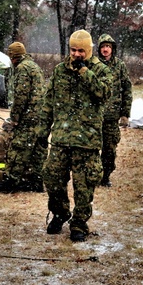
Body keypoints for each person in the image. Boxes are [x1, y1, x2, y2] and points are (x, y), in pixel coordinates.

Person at [36, 30, 109, 242]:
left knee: (84, 184)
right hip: (61, 138)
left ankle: (79, 223)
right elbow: (48, 102)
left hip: (86, 140)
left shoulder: (101, 71)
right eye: (73, 50)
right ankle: (60, 213)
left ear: (88, 50)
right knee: (52, 177)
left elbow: (104, 93)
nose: (76, 55)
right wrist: (42, 131)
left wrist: (85, 72)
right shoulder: (60, 71)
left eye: (81, 51)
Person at [0, 42, 46, 193]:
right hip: (40, 116)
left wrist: (14, 118)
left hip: (28, 117)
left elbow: (20, 97)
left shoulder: (22, 69)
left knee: (18, 148)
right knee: (37, 150)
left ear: (13, 57)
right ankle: (37, 182)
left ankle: (11, 181)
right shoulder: (34, 67)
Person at [95, 34, 132, 187]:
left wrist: (125, 113)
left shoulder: (119, 66)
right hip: (95, 116)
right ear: (99, 49)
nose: (105, 49)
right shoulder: (94, 65)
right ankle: (93, 176)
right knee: (92, 149)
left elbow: (127, 90)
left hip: (112, 117)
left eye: (108, 47)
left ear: (112, 49)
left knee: (110, 149)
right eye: (103, 46)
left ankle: (105, 177)